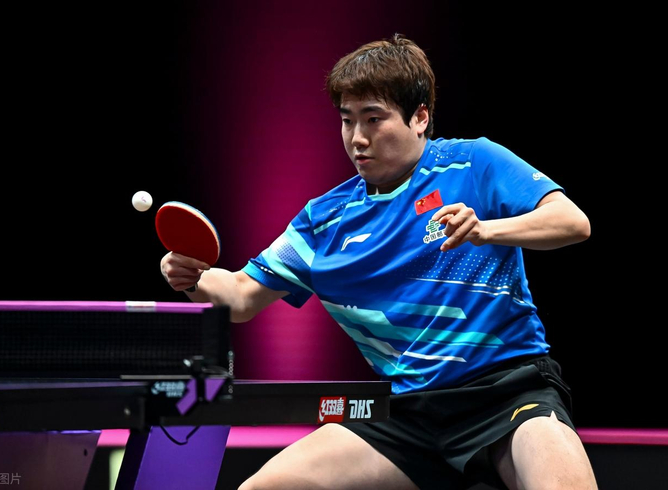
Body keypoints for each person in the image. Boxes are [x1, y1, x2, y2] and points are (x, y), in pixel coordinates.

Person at [161, 34, 597, 490]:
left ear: (420, 117)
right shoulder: (324, 220)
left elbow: (571, 222)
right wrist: (192, 278)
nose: (357, 138)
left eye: (374, 119)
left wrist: (488, 230)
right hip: (405, 414)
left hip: (507, 393)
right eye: (347, 120)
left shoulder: (472, 163)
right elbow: (240, 297)